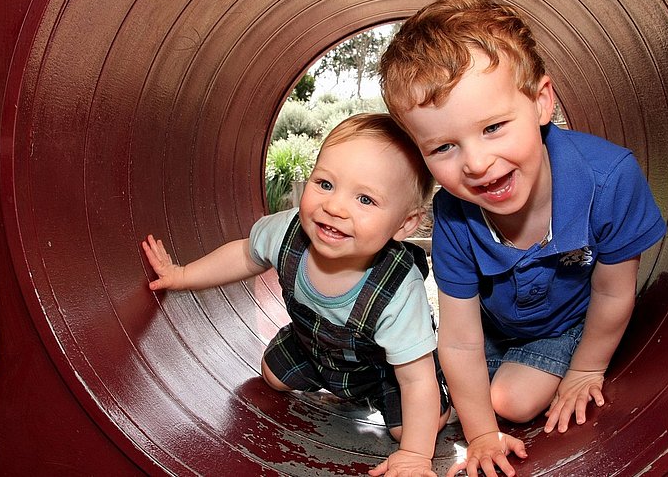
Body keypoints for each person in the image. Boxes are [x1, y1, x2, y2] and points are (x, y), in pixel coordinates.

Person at [379, 0, 668, 477]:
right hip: (496, 329)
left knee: (508, 400)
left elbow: (614, 290)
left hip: (568, 324)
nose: (475, 163)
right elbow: (461, 338)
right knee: (414, 413)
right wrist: (481, 437)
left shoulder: (608, 178)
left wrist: (585, 369)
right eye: (444, 146)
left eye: (493, 127)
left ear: (541, 103)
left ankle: (534, 372)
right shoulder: (454, 215)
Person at [141, 113, 451, 477]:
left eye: (365, 199)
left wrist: (415, 454)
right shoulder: (288, 232)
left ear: (405, 224)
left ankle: (439, 399)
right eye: (325, 183)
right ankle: (322, 373)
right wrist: (181, 275)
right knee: (271, 375)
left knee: (409, 428)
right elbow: (244, 255)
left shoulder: (399, 291)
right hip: (313, 346)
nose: (334, 207)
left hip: (386, 370)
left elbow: (414, 379)